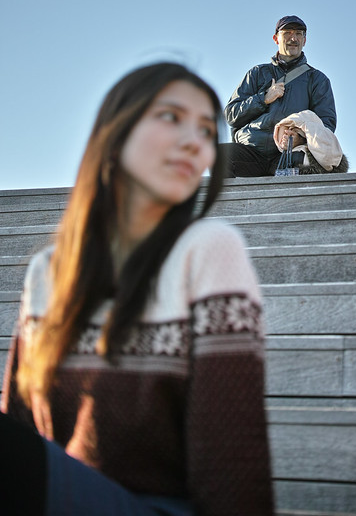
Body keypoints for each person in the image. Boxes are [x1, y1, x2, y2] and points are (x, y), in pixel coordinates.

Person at [1, 62, 274, 516]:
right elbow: (22, 421)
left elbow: (232, 462)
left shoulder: (208, 249)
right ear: (116, 131)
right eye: (170, 117)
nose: (195, 141)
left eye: (206, 131)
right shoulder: (48, 270)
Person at [223, 15, 338, 177]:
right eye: (287, 33)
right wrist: (263, 99)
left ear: (304, 41)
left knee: (304, 164)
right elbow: (231, 115)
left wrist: (300, 137)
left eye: (299, 34)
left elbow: (326, 124)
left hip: (289, 154)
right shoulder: (257, 73)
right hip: (251, 150)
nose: (293, 38)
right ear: (276, 38)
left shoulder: (317, 79)